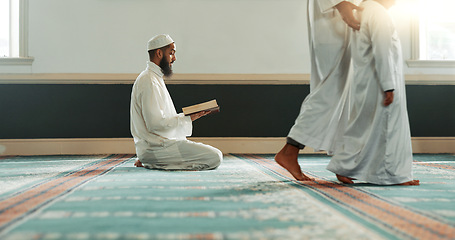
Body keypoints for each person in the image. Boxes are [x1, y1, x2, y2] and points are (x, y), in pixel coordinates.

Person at [327, 0, 419, 185]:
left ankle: (344, 167)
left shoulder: (363, 10)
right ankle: (392, 175)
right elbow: (382, 50)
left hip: (366, 79)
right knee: (388, 127)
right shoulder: (378, 13)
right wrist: (388, 86)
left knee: (363, 127)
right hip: (380, 81)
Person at [275, 0, 362, 181]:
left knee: (343, 94)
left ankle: (341, 161)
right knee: (330, 90)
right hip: (332, 16)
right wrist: (341, 5)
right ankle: (290, 150)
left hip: (339, 17)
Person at [130, 34, 222, 170]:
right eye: (171, 53)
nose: (174, 58)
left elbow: (160, 121)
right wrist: (185, 118)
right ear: (159, 53)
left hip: (158, 146)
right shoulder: (149, 81)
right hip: (156, 148)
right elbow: (154, 124)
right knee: (215, 157)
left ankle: (150, 160)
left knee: (208, 153)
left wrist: (189, 117)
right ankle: (152, 161)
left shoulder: (154, 78)